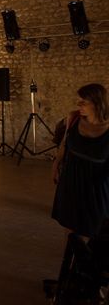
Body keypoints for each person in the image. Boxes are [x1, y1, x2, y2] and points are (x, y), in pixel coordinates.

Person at [52, 83, 109, 238]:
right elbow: (65, 144)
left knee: (96, 228)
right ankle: (70, 258)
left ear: (98, 103)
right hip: (71, 178)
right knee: (70, 226)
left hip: (96, 185)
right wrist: (56, 163)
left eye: (83, 102)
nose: (79, 105)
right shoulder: (74, 118)